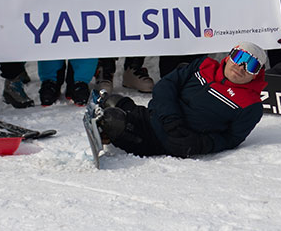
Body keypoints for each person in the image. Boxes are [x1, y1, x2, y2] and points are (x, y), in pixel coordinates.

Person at [94, 43, 269, 158]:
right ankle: (120, 113)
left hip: (170, 140)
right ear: (230, 56)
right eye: (240, 58)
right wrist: (170, 118)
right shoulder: (203, 66)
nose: (241, 67)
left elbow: (232, 138)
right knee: (112, 100)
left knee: (112, 119)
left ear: (257, 74)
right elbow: (166, 85)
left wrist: (200, 144)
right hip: (154, 116)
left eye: (251, 66)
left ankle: (110, 131)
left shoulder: (250, 106)